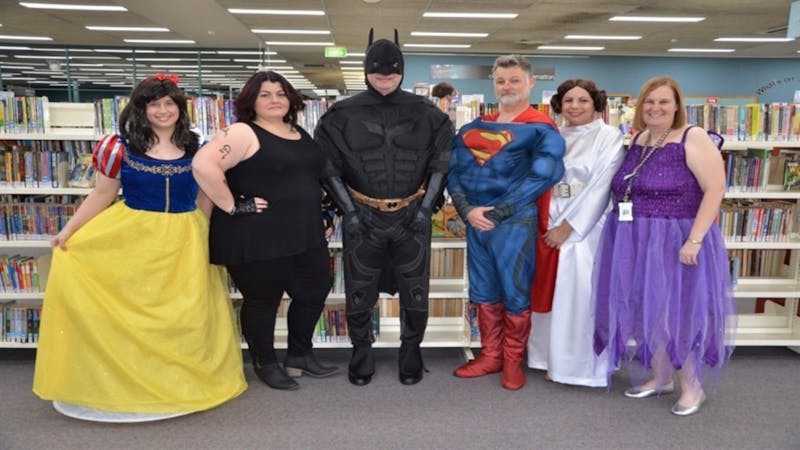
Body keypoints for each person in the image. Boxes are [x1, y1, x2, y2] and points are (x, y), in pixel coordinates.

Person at [32, 73, 247, 422]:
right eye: (154, 104)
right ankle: (129, 384)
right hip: (132, 240)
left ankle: (176, 383)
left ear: (180, 108)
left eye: (169, 103)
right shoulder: (120, 147)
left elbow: (206, 196)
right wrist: (68, 231)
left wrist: (204, 233)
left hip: (185, 239)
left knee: (182, 315)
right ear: (141, 108)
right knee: (133, 315)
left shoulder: (198, 147)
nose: (163, 110)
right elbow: (102, 194)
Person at [315, 29, 454, 386]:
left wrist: (424, 210)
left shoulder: (430, 114)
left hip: (412, 214)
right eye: (377, 69)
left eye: (392, 69)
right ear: (366, 69)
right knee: (359, 291)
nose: (385, 75)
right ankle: (361, 350)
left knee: (416, 290)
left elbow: (440, 165)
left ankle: (411, 350)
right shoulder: (340, 115)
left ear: (402, 69)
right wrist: (349, 212)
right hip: (362, 214)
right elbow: (328, 167)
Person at [593, 76, 736, 416]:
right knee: (646, 307)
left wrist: (695, 240)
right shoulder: (639, 138)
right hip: (635, 237)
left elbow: (715, 189)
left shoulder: (693, 137)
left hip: (676, 239)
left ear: (676, 107)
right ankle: (660, 377)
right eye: (649, 101)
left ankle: (692, 386)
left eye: (663, 102)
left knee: (676, 312)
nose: (655, 108)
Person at [192, 70, 339, 391]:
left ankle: (299, 355)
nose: (275, 100)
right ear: (251, 101)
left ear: (291, 99)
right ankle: (266, 363)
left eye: (281, 93)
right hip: (256, 233)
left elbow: (309, 177)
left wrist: (323, 214)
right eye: (265, 95)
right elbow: (203, 165)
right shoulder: (242, 132)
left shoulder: (297, 131)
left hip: (304, 232)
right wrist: (232, 205)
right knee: (262, 300)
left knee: (314, 290)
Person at [448, 54, 565, 390]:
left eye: (514, 80)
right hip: (477, 222)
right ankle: (491, 355)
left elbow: (544, 176)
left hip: (514, 223)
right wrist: (467, 209)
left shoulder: (541, 129)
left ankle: (513, 361)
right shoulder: (472, 127)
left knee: (515, 292)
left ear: (531, 83)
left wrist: (498, 212)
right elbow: (453, 171)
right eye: (500, 81)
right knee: (483, 290)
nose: (507, 87)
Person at [526, 79, 625, 387]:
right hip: (549, 217)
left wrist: (568, 227)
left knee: (579, 296)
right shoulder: (553, 135)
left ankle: (577, 366)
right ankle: (546, 357)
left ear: (596, 103)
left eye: (583, 100)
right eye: (569, 100)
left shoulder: (608, 137)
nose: (575, 106)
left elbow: (602, 186)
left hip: (585, 228)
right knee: (550, 291)